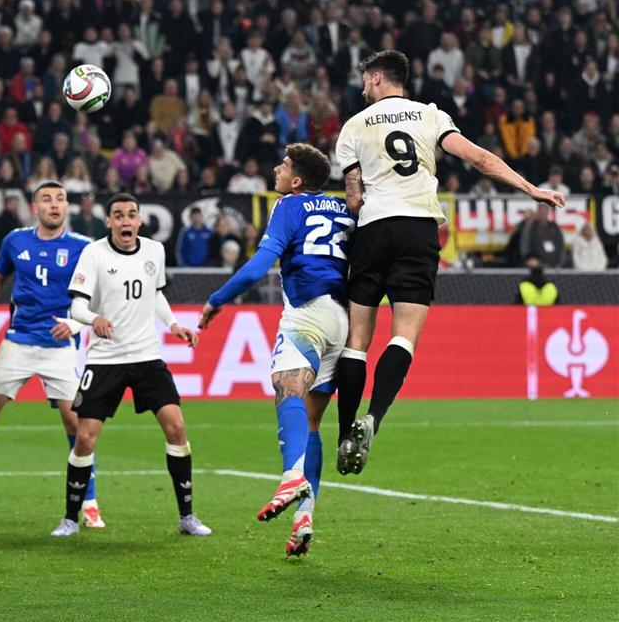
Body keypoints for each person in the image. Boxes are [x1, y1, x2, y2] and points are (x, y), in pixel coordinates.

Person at [333, 50, 564, 475]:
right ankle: (374, 419)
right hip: (419, 228)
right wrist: (529, 188)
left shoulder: (352, 127)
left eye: (366, 80)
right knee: (404, 337)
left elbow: (354, 195)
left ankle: (346, 432)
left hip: (374, 228)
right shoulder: (430, 116)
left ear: (379, 78)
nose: (362, 87)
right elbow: (479, 158)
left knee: (357, 340)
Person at [199, 143, 353, 556]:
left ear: (296, 180)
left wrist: (217, 299)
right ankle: (305, 515)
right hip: (344, 320)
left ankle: (291, 476)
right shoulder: (344, 209)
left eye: (283, 166)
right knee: (313, 423)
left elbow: (259, 264)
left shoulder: (287, 205)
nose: (276, 169)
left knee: (286, 388)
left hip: (306, 313)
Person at [0, 182, 105, 529]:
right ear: (35, 207)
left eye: (60, 199)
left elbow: (99, 297)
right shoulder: (15, 240)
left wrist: (76, 327)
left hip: (59, 345)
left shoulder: (83, 248)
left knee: (76, 423)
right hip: (18, 340)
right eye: (47, 199)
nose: (55, 205)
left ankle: (89, 501)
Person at [52, 193, 210, 538]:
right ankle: (69, 517)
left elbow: (155, 294)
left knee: (177, 427)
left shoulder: (155, 251)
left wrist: (173, 325)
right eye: (119, 216)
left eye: (131, 215)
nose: (126, 221)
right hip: (106, 358)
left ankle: (187, 516)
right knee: (86, 438)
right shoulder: (93, 253)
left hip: (146, 355)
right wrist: (95, 319)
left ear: (139, 221)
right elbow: (77, 308)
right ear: (108, 222)